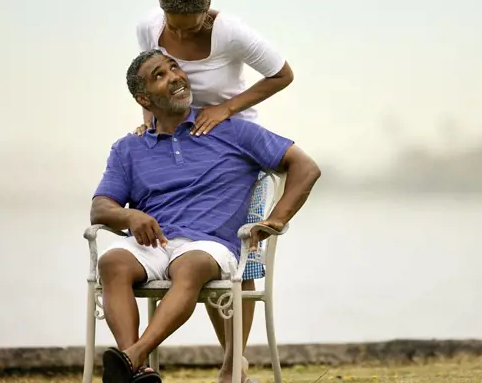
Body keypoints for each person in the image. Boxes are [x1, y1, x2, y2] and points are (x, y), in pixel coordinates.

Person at [93, 49, 320, 383]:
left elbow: (306, 168)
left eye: (174, 68)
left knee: (191, 264)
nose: (174, 77)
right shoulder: (129, 148)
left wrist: (276, 219)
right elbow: (100, 208)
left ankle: (132, 358)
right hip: (153, 244)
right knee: (111, 261)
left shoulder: (234, 132)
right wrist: (130, 218)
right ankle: (137, 372)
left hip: (210, 245)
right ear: (144, 98)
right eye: (160, 75)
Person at [134, 0, 294, 358]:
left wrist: (226, 108)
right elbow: (143, 80)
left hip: (233, 148)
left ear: (207, 13)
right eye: (175, 27)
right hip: (181, 143)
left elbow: (282, 74)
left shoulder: (231, 33)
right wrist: (149, 124)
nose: (182, 36)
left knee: (236, 258)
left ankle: (233, 361)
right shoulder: (149, 28)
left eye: (191, 28)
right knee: (193, 247)